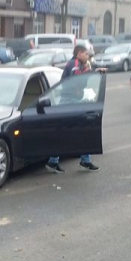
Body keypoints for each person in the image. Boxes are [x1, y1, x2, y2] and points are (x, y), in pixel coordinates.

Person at [45, 43, 106, 174]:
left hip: (75, 100)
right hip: (68, 101)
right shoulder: (74, 64)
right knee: (67, 132)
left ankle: (84, 160)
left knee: (82, 130)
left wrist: (94, 71)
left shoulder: (80, 64)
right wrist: (90, 70)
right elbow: (77, 77)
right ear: (79, 54)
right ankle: (54, 161)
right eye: (86, 53)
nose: (88, 56)